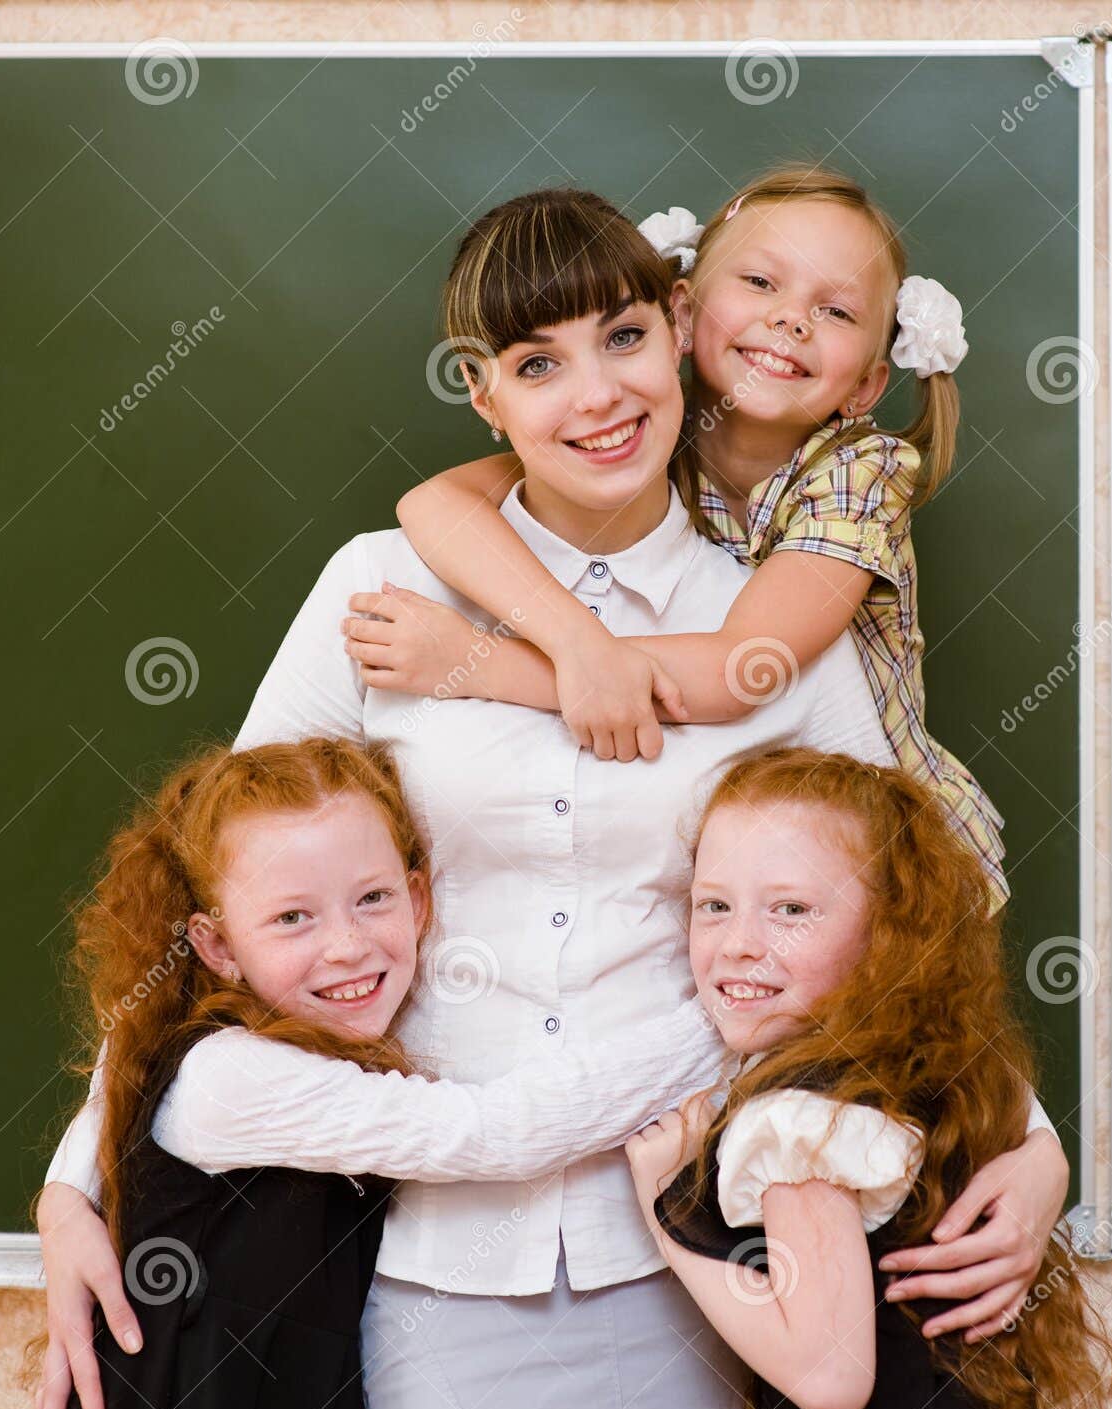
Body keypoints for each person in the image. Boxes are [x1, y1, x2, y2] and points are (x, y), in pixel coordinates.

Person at [35, 186, 1070, 1409]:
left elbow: (907, 924)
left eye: (623, 340)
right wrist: (79, 1177)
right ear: (484, 394)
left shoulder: (769, 628)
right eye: (536, 363)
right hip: (438, 1263)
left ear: (680, 338)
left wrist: (1033, 1144)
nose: (596, 395)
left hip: (702, 1254)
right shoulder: (382, 586)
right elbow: (210, 893)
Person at [3, 736, 726, 1409]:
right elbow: (495, 1132)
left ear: (418, 901)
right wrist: (732, 1016)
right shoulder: (231, 1076)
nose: (346, 946)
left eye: (372, 899)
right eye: (292, 919)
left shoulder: (309, 1046)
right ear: (216, 946)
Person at [383, 164, 1010, 907]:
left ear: (867, 387)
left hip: (895, 857)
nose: (792, 321)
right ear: (682, 314)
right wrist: (574, 640)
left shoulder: (859, 475)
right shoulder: (644, 439)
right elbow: (434, 503)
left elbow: (743, 670)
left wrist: (479, 664)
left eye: (836, 311)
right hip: (760, 861)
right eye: (760, 282)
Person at [625, 748, 1112, 1409]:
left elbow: (829, 1380)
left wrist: (668, 1214)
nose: (738, 944)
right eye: (713, 906)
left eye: (791, 910)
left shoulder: (796, 1122)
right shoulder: (937, 1072)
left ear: (885, 931)